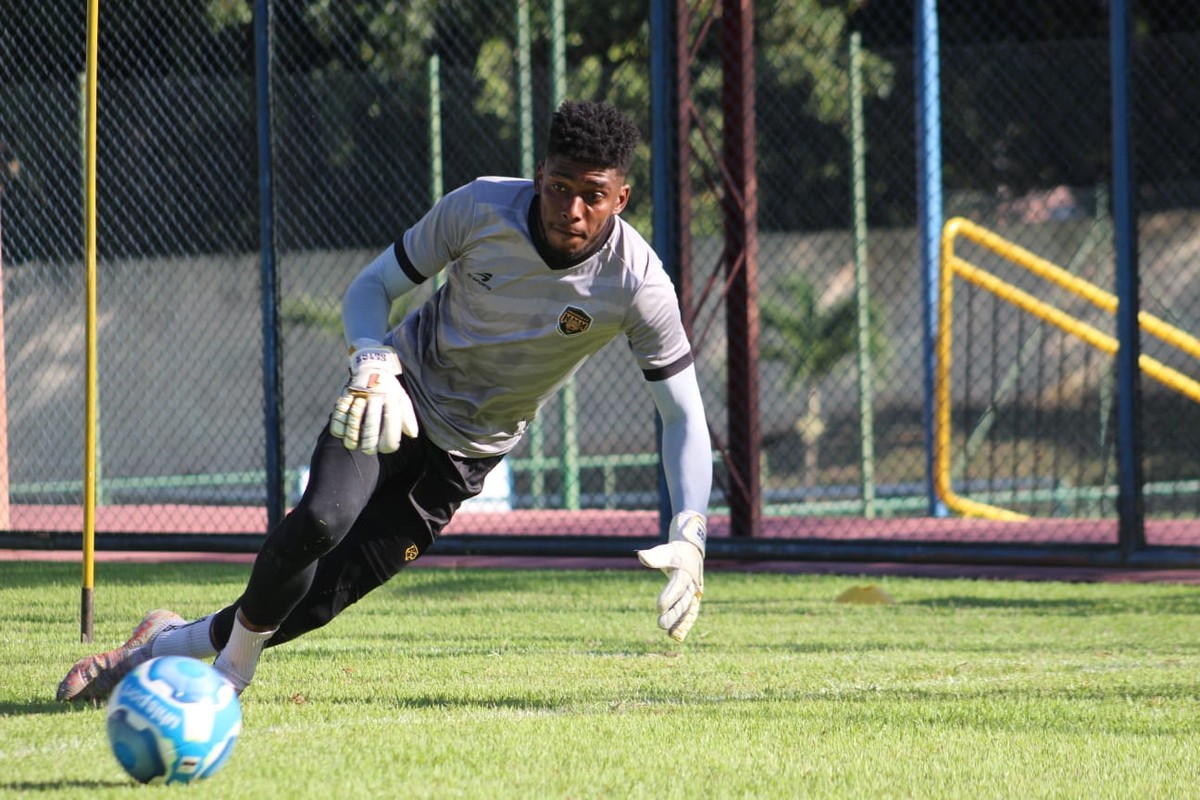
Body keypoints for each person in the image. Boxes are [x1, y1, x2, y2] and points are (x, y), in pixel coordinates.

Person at [58, 100, 712, 702]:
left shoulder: (637, 284)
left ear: (621, 198)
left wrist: (690, 531)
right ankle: (226, 683)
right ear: (540, 174)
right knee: (320, 520)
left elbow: (682, 415)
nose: (571, 209)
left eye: (592, 196)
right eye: (560, 186)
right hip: (390, 397)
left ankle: (157, 647)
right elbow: (373, 286)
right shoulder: (479, 208)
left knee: (314, 604)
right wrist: (371, 358)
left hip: (463, 459)